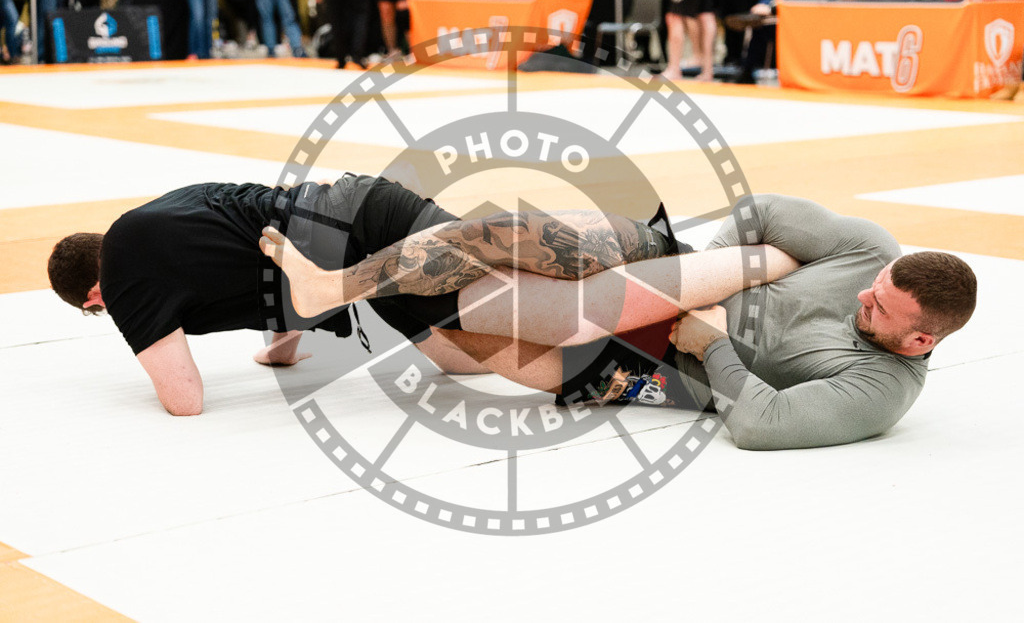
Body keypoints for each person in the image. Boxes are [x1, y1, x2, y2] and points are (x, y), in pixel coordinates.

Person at [261, 193, 976, 451]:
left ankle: (343, 296)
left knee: (467, 330)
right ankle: (336, 283)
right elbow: (761, 212)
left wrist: (710, 343)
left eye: (878, 308)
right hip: (684, 270)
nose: (863, 297)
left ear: (921, 339)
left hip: (672, 366)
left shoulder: (880, 389)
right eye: (874, 287)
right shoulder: (870, 251)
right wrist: (704, 273)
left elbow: (765, 424)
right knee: (520, 239)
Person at [49, 174, 794, 417]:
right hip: (350, 216)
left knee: (535, 309)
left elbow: (182, 398)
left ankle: (724, 264)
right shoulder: (161, 219)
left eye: (101, 311)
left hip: (363, 236)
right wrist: (281, 347)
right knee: (466, 351)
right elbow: (268, 256)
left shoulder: (128, 274)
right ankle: (650, 346)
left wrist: (140, 337)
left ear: (94, 295)